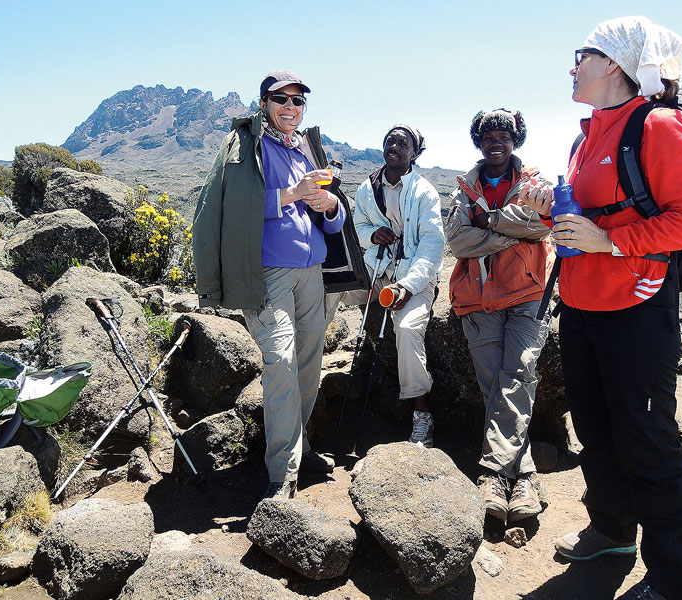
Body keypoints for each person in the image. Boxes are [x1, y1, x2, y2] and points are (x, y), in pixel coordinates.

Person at [524, 17, 682, 600]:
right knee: (597, 431)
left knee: (646, 439)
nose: (571, 67)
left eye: (580, 56)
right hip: (581, 308)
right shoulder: (587, 136)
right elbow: (583, 219)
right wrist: (545, 209)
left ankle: (674, 580)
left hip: (636, 311)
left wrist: (609, 242)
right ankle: (612, 533)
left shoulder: (658, 125)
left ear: (613, 63)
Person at [192, 70, 365, 500]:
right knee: (281, 361)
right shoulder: (247, 148)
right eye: (281, 99)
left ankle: (297, 446)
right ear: (265, 103)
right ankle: (281, 470)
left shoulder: (305, 149)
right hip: (268, 273)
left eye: (298, 101)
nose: (291, 108)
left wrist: (328, 206)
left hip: (312, 273)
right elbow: (237, 207)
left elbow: (334, 220)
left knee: (308, 363)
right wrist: (292, 193)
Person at [445, 109, 553, 523]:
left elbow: (539, 223)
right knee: (497, 384)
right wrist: (509, 230)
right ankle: (523, 475)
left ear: (515, 140)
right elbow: (458, 240)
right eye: (488, 136)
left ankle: (492, 473)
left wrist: (487, 221)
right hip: (478, 297)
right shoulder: (465, 186)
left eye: (504, 136)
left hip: (527, 293)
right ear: (478, 141)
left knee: (517, 376)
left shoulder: (533, 181)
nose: (496, 142)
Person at [350, 125, 445, 447]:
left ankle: (421, 415)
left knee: (405, 329)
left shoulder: (425, 192)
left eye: (403, 143)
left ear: (414, 153)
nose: (394, 145)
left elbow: (432, 246)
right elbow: (358, 226)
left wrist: (408, 285)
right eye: (390, 140)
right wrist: (373, 234)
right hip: (377, 270)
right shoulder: (367, 188)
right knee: (330, 288)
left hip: (413, 278)